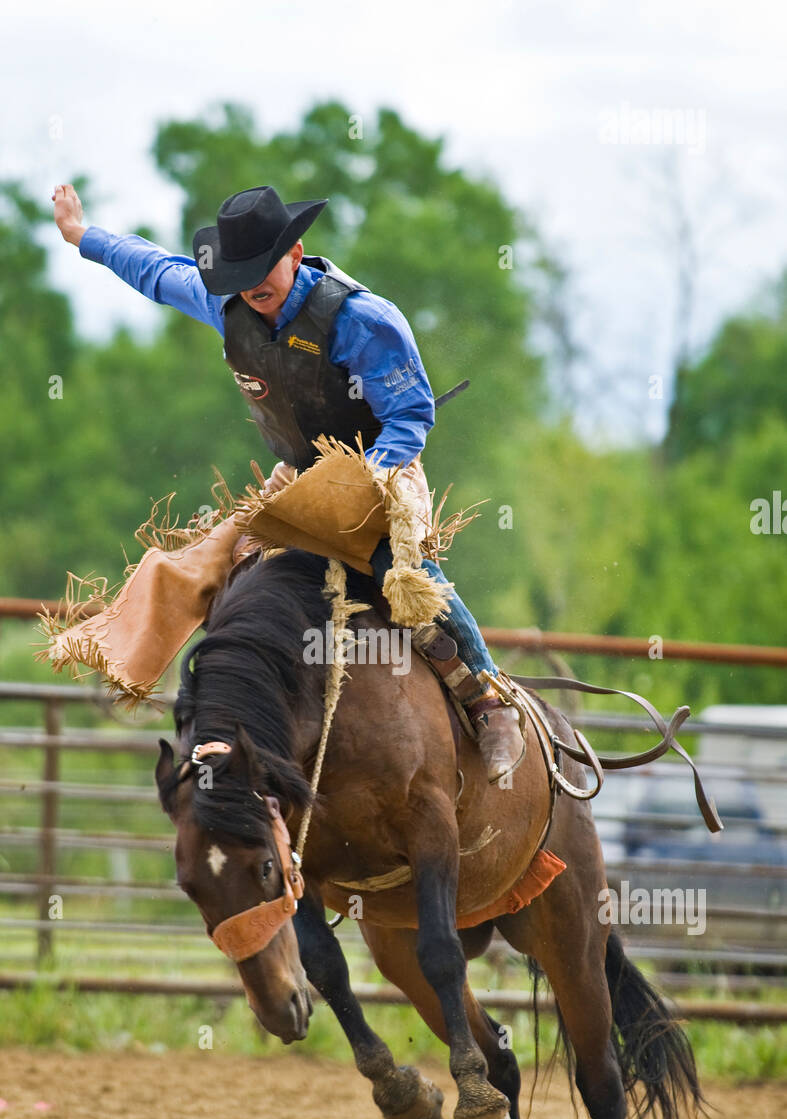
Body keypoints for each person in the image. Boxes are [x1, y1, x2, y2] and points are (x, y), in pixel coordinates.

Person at [51, 182, 523, 779]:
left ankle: (486, 697)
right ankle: (163, 679)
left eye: (262, 267)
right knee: (218, 565)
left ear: (295, 255)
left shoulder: (361, 320)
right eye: (241, 271)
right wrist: (82, 236)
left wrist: (365, 481)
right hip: (296, 478)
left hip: (382, 467)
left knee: (398, 570)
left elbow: (411, 415)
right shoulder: (225, 302)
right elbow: (154, 269)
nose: (252, 283)